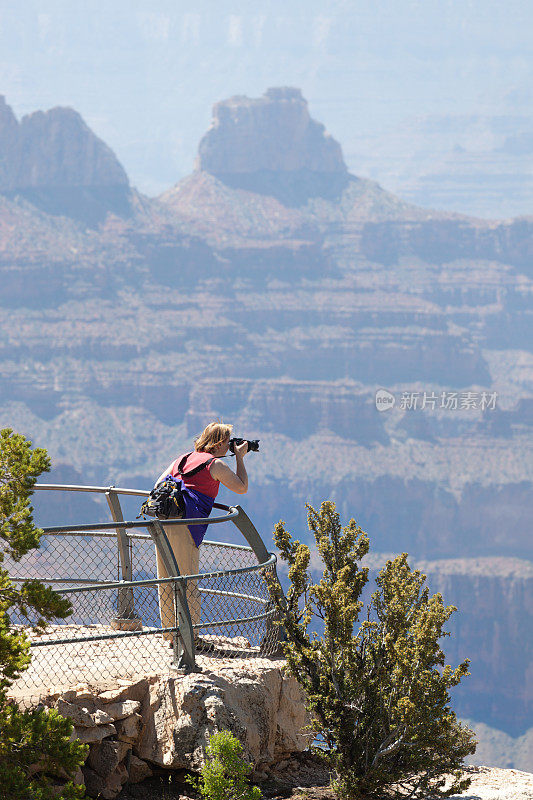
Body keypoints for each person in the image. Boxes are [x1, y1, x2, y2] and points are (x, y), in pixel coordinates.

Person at [153, 422, 249, 646]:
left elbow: (159, 483)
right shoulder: (214, 464)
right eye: (227, 441)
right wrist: (240, 458)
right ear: (218, 443)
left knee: (166, 578)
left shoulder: (184, 458)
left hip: (163, 521)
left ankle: (171, 635)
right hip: (186, 526)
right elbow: (241, 487)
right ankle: (190, 639)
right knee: (187, 581)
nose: (230, 445)